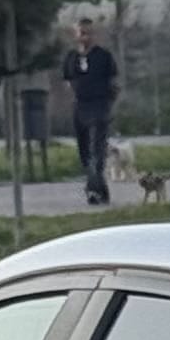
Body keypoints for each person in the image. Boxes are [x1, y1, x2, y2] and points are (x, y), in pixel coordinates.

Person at [59, 19, 119, 203]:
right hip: (80, 107)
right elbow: (67, 80)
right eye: (81, 32)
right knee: (85, 152)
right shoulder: (71, 57)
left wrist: (109, 102)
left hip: (99, 106)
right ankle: (101, 190)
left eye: (88, 33)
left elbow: (113, 81)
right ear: (75, 34)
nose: (84, 36)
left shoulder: (103, 56)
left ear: (94, 35)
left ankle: (92, 191)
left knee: (96, 151)